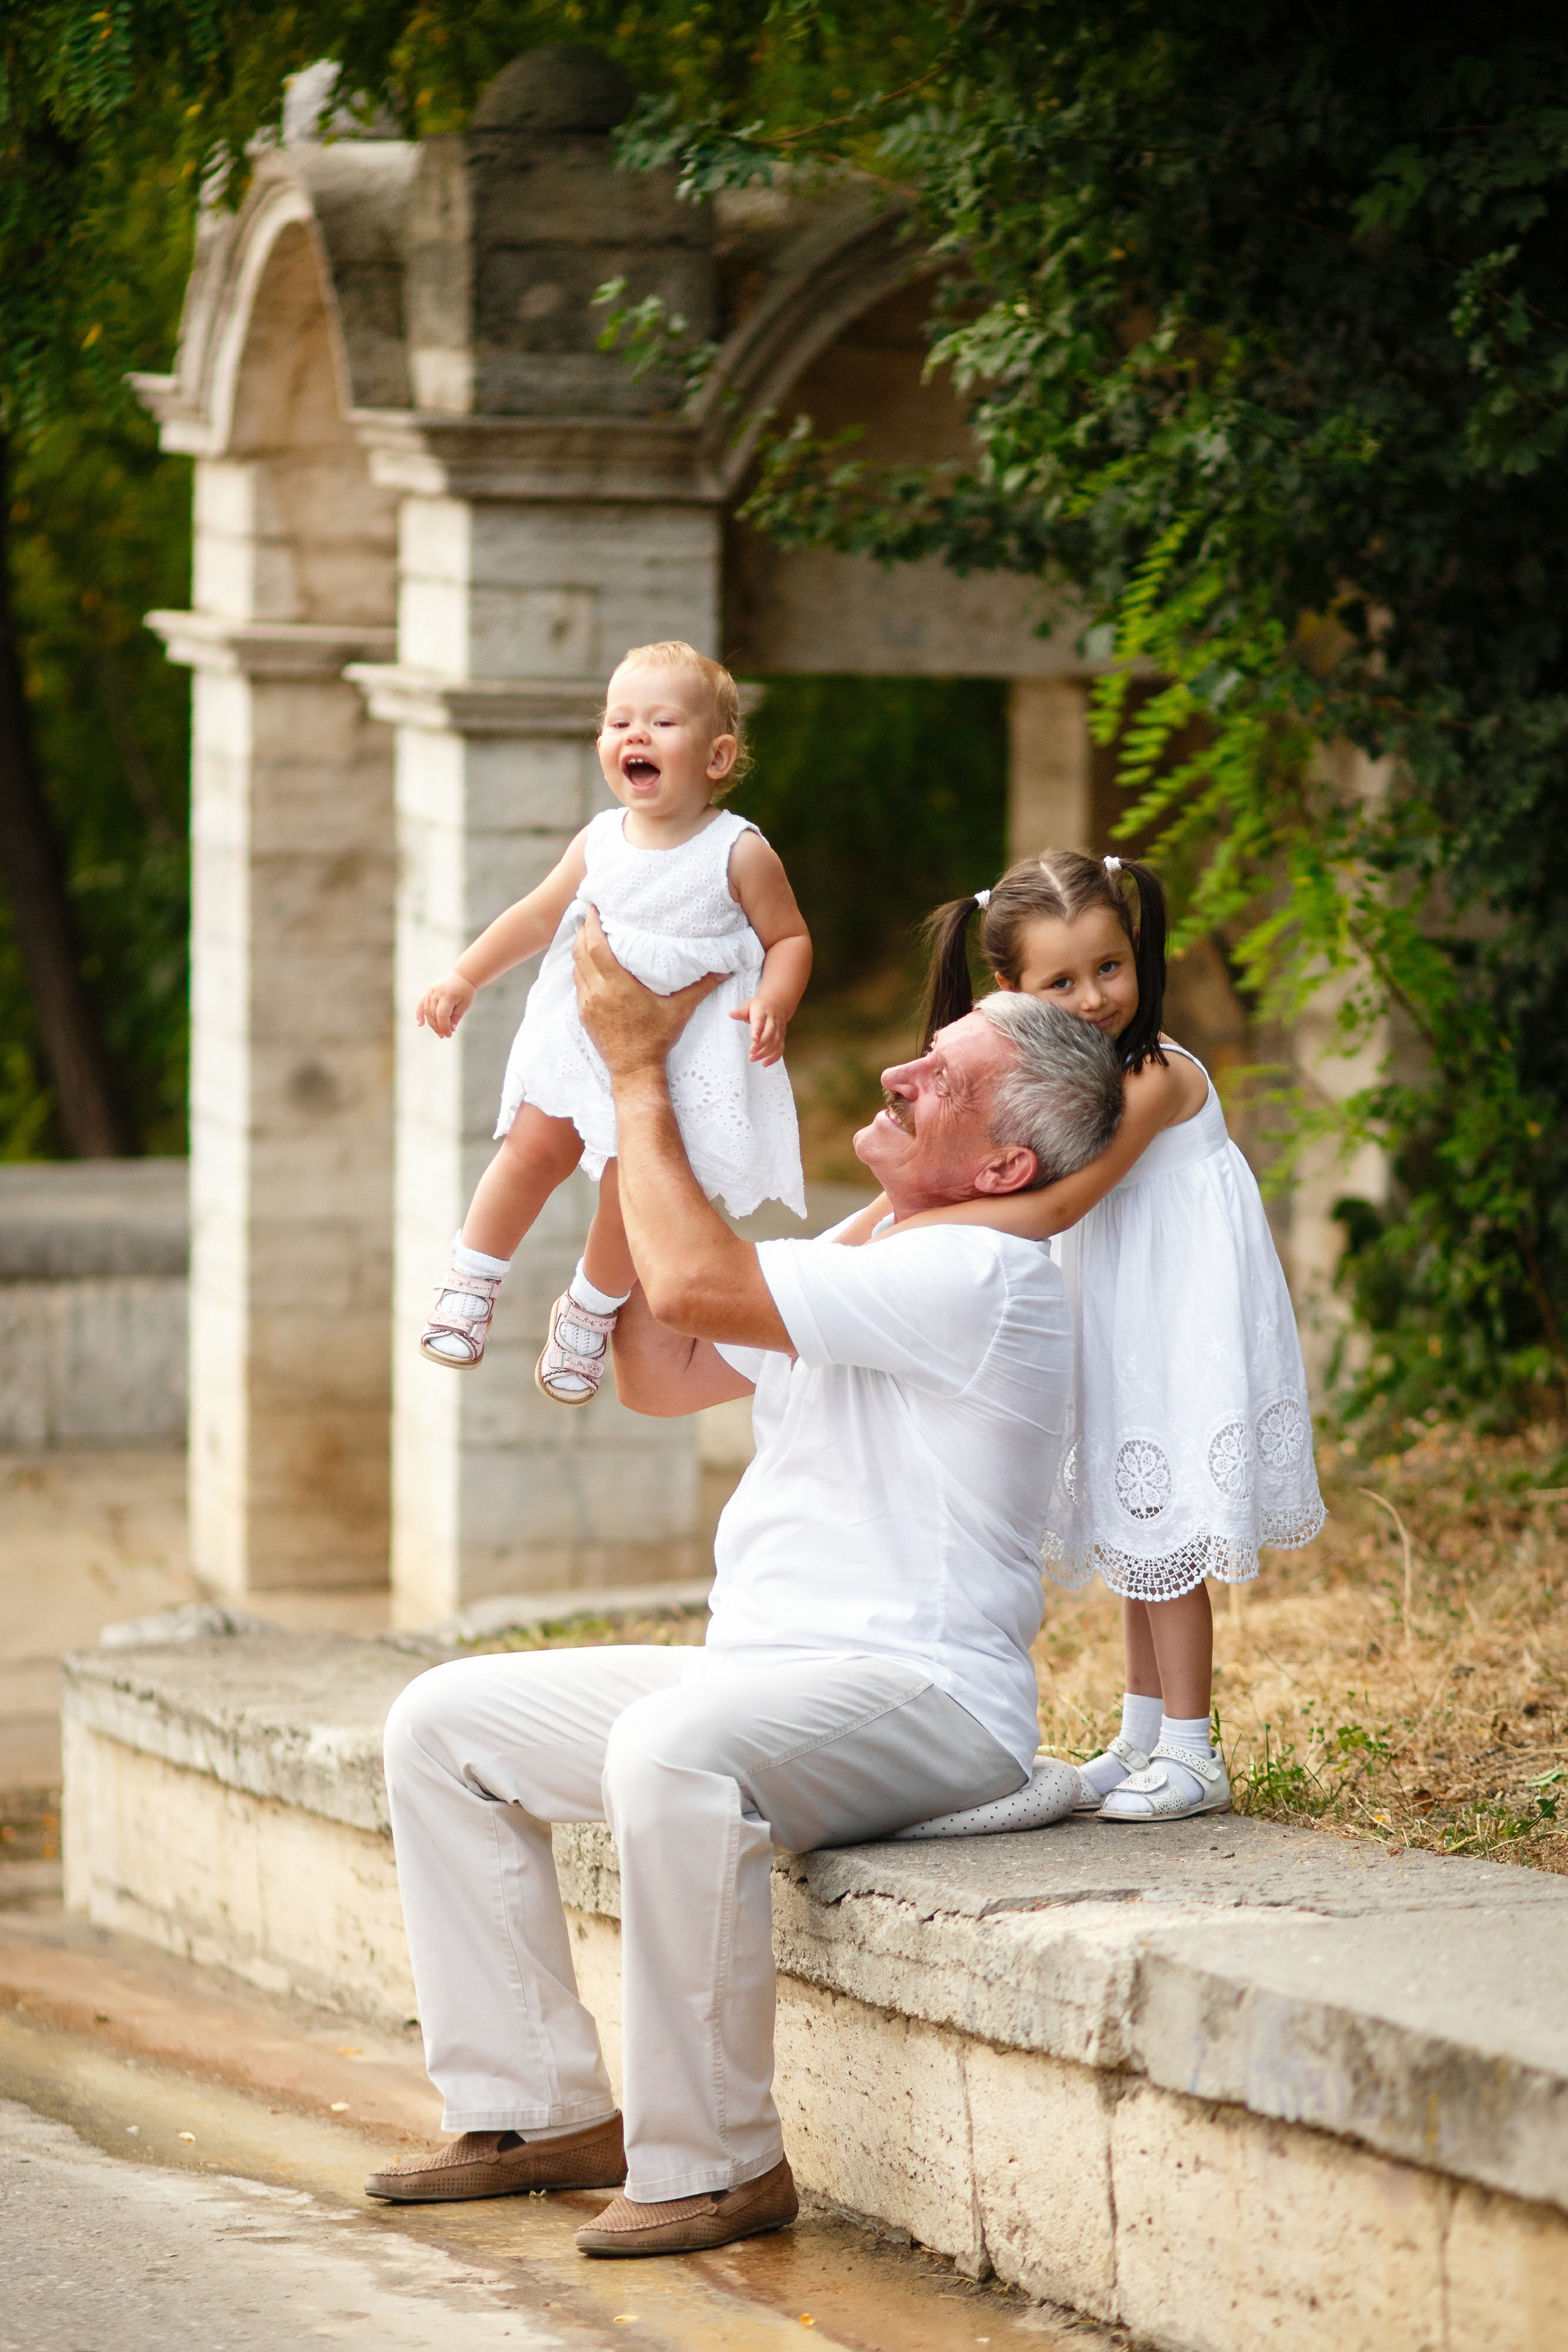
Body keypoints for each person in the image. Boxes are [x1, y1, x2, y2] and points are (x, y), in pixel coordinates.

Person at [368, 913, 1125, 2256]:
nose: (898, 1077)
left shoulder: (980, 1274)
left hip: (926, 1701)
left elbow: (699, 1282)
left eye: (939, 1078)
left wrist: (640, 1077)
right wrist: (635, 1111)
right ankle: (536, 2107)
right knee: (444, 1725)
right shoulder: (867, 1245)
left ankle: (718, 2163)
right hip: (760, 1677)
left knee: (673, 1748)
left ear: (1004, 1162)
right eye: (919, 1054)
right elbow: (659, 1366)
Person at [876, 850, 1325, 1831]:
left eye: (1109, 968)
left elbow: (1061, 1200)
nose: (1094, 997)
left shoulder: (1155, 1075)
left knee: (1168, 1538)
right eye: (1062, 981)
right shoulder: (1065, 1073)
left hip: (1179, 1313)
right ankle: (1138, 1735)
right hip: (1122, 1309)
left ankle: (1194, 1752)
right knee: (1135, 1526)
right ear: (1010, 991)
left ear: (1138, 952)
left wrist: (921, 1225)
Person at [413, 641, 811, 1401]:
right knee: (532, 1149)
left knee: (632, 1190)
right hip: (582, 1035)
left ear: (717, 755)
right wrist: (465, 973)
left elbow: (789, 937)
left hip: (682, 1053)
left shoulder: (739, 851)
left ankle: (589, 1311)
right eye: (617, 721)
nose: (634, 735)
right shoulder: (599, 840)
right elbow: (537, 915)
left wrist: (775, 1001)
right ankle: (472, 1276)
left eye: (662, 722)